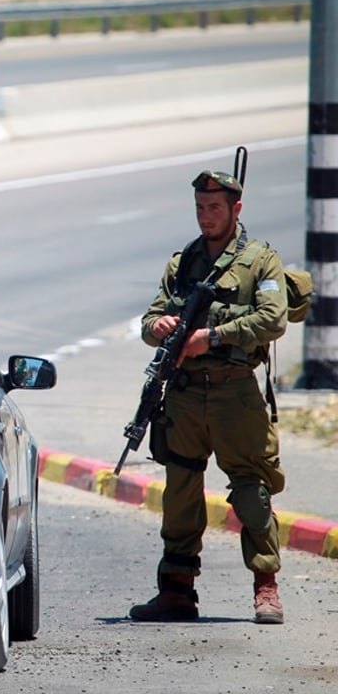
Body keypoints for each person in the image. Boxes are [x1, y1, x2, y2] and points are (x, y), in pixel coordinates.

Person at [129, 169, 288, 625]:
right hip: (183, 395)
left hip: (234, 393)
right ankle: (176, 591)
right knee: (179, 490)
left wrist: (213, 337)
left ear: (236, 209)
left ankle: (266, 587)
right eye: (200, 208)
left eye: (215, 208)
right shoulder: (183, 263)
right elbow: (151, 317)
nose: (206, 217)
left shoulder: (260, 261)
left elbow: (273, 319)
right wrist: (157, 327)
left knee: (251, 491)